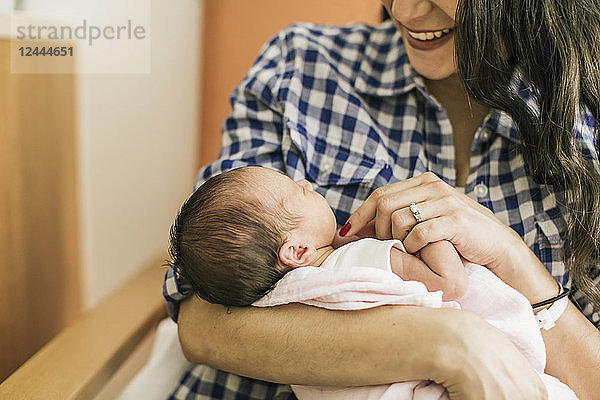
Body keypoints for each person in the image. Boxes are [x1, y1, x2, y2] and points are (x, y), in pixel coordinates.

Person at [163, 1, 600, 399]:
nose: (406, 11)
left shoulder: (588, 112)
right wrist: (451, 345)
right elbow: (202, 323)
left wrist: (512, 257)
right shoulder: (299, 66)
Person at [169, 166, 468, 306]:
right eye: (298, 191)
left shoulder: (282, 297)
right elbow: (450, 284)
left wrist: (339, 241)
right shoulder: (363, 260)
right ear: (297, 251)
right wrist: (426, 224)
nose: (307, 184)